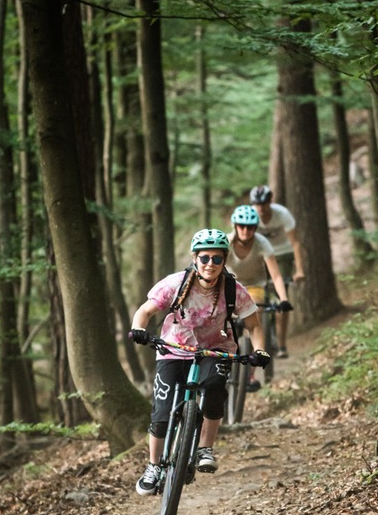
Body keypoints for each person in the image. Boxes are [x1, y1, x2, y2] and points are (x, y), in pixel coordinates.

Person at [128, 228, 270, 496]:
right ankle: (153, 466)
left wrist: (260, 350)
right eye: (205, 258)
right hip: (173, 349)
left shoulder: (233, 289)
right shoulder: (176, 283)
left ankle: (205, 448)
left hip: (215, 350)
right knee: (161, 413)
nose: (210, 265)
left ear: (224, 261)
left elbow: (254, 324)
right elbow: (145, 311)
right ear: (195, 259)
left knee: (215, 387)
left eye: (217, 259)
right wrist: (138, 329)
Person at [226, 205, 292, 389]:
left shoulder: (262, 243)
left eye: (250, 227)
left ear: (256, 227)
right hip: (231, 285)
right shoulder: (227, 242)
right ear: (235, 226)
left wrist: (284, 299)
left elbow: (276, 275)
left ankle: (250, 375)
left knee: (254, 312)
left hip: (255, 287)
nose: (246, 230)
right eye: (241, 226)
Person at [248, 185, 305, 358]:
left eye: (264, 204)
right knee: (256, 296)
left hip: (282, 255)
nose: (261, 208)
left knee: (281, 299)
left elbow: (295, 243)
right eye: (257, 204)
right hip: (260, 256)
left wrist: (299, 270)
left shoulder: (282, 214)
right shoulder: (250, 215)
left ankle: (281, 345)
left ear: (270, 202)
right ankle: (256, 342)